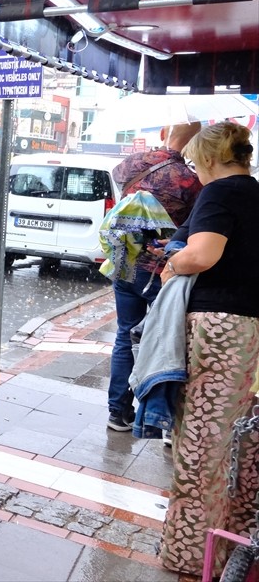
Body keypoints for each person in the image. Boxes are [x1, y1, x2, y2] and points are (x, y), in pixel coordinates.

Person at [155, 122, 259, 576]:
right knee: (235, 443)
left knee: (198, 444)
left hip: (217, 328)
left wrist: (171, 263)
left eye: (197, 164)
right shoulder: (256, 193)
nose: (195, 173)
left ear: (214, 158)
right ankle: (232, 547)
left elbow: (202, 255)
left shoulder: (221, 193)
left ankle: (191, 555)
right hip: (250, 326)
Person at [105, 122, 202, 431]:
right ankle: (161, 417)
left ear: (163, 133)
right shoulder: (190, 181)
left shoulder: (132, 162)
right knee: (166, 341)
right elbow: (195, 226)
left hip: (126, 263)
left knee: (124, 334)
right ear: (193, 145)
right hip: (163, 271)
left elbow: (119, 184)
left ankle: (118, 411)